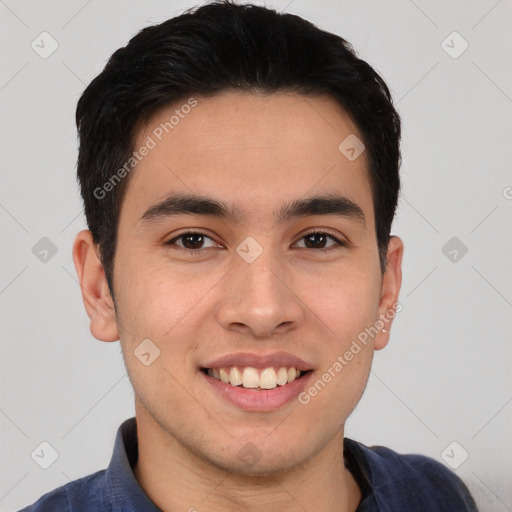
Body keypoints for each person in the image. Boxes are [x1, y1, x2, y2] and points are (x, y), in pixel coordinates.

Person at [19, 1, 479, 510]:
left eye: (317, 240)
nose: (262, 311)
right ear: (99, 286)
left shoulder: (438, 497)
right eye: (193, 240)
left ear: (386, 290)